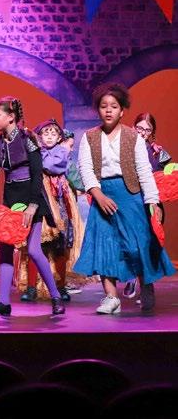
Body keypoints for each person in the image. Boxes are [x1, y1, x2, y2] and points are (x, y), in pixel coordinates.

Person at [74, 83, 175, 314]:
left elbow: (144, 172)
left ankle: (146, 283)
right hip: (102, 195)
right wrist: (98, 195)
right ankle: (111, 297)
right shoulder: (90, 137)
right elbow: (85, 170)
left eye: (114, 106)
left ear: (122, 111)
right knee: (104, 246)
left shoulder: (133, 138)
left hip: (130, 195)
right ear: (98, 110)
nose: (108, 110)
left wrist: (152, 202)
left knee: (136, 245)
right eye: (104, 106)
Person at [0, 96, 65, 316]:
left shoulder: (28, 139)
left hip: (31, 196)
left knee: (34, 250)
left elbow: (37, 174)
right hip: (10, 199)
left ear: (11, 117)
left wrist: (33, 205)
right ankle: (3, 301)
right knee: (6, 248)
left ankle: (56, 297)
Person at [18, 119, 85, 302]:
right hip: (39, 201)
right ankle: (31, 287)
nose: (49, 137)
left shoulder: (61, 152)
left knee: (60, 246)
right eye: (45, 133)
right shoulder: (34, 151)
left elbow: (51, 166)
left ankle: (60, 286)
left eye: (53, 133)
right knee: (35, 246)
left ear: (59, 137)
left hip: (59, 203)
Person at [123, 112, 171, 300]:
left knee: (148, 247)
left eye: (148, 130)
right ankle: (132, 277)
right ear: (133, 127)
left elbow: (161, 179)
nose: (143, 132)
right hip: (130, 204)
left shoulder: (157, 153)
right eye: (139, 128)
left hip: (150, 204)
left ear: (152, 132)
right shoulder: (123, 149)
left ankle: (147, 288)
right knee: (130, 244)